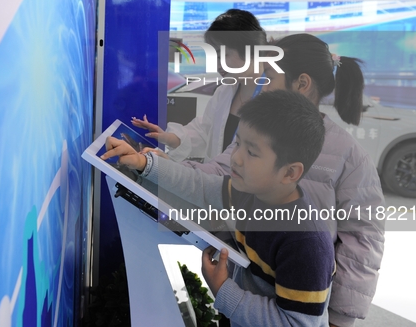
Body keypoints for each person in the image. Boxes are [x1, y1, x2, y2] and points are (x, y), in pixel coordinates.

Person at [180, 33, 385, 327]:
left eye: (268, 76)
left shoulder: (350, 157)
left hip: (301, 302)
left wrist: (339, 318)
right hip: (247, 290)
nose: (260, 85)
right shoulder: (257, 133)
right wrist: (152, 164)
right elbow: (216, 173)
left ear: (301, 83)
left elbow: (363, 240)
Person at [103, 90, 335, 326]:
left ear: (290, 172)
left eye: (252, 152)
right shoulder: (249, 193)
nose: (236, 158)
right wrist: (144, 164)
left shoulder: (306, 244)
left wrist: (223, 289)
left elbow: (297, 323)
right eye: (238, 143)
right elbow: (199, 186)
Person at [131, 9, 267, 163]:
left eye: (223, 55)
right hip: (220, 182)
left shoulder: (274, 97)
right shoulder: (225, 91)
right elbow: (204, 131)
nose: (218, 65)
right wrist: (169, 138)